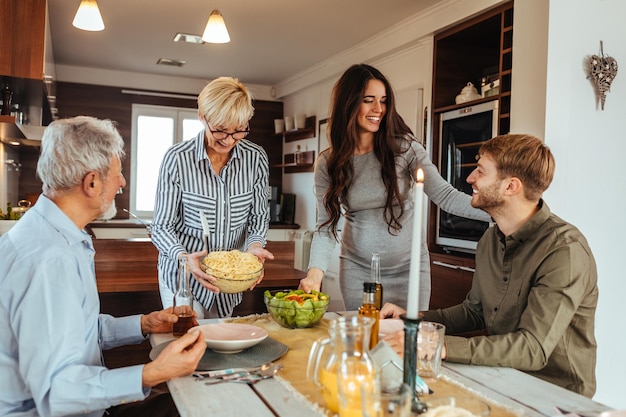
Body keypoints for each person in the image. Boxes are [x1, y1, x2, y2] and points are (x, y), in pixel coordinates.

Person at [0, 116, 207, 417]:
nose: (122, 183)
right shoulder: (48, 260)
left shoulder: (56, 235)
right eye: (117, 174)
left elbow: (78, 331)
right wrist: (151, 373)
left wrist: (144, 324)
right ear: (92, 182)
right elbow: (56, 393)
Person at [380, 134, 598, 397]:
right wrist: (414, 319)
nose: (470, 178)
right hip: (500, 377)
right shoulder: (490, 241)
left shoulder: (564, 251)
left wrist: (437, 344)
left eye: (481, 172)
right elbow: (475, 312)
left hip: (555, 397)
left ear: (510, 187)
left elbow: (533, 348)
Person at [299, 63, 490, 310]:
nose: (378, 109)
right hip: (357, 269)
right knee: (366, 340)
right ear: (349, 103)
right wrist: (315, 275)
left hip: (408, 269)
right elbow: (326, 226)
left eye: (384, 100)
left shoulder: (405, 149)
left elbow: (445, 195)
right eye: (369, 100)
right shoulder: (328, 163)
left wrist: (500, 209)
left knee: (405, 342)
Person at [151, 76, 274, 318]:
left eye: (238, 131)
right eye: (219, 130)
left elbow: (259, 218)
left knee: (221, 347)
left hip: (229, 283)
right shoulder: (177, 159)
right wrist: (185, 258)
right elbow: (161, 227)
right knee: (189, 345)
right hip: (183, 280)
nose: (228, 140)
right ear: (201, 116)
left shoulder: (256, 159)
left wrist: (255, 245)